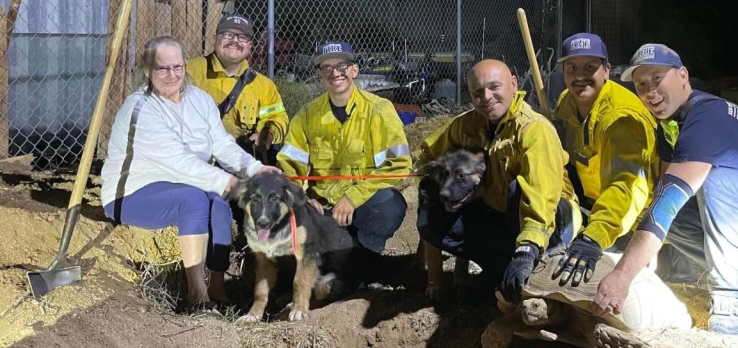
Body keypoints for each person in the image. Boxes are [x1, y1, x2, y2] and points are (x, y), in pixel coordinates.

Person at [593, 43, 738, 335]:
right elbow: (662, 198)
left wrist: (622, 275)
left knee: (716, 181)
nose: (650, 92)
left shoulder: (705, 117)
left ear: (683, 76)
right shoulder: (671, 123)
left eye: (657, 79)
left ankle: (731, 298)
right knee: (664, 212)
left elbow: (668, 203)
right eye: (641, 85)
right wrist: (646, 262)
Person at [100, 36, 282, 316]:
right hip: (133, 191)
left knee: (217, 203)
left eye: (177, 67)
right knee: (194, 199)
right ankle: (197, 297)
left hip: (180, 183)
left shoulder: (199, 98)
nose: (172, 75)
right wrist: (229, 182)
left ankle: (218, 290)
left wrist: (256, 170)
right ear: (148, 71)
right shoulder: (141, 108)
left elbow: (221, 144)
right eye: (163, 69)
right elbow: (179, 162)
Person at [416, 58, 581, 304]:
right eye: (478, 92)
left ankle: (534, 262)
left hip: (551, 218)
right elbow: (429, 154)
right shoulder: (467, 124)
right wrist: (430, 172)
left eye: (495, 87)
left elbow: (541, 196)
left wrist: (528, 248)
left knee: (518, 190)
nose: (487, 96)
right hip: (500, 213)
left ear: (513, 85)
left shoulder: (534, 129)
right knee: (432, 195)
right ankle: (499, 267)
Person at [276, 40, 412, 287]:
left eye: (341, 66)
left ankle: (354, 273)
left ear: (354, 70)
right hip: (323, 208)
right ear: (320, 77)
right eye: (326, 68)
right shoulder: (307, 115)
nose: (334, 72)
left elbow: (399, 164)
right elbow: (289, 169)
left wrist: (353, 196)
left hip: (362, 205)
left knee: (390, 206)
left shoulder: (380, 110)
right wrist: (304, 199)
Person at [551, 33, 660, 285]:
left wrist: (593, 239)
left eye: (590, 67)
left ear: (606, 70)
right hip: (593, 206)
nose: (580, 75)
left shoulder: (622, 119)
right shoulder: (566, 104)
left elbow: (627, 187)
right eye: (572, 67)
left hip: (633, 221)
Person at [186, 13, 288, 165]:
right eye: (228, 34)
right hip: (194, 165)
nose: (235, 41)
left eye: (243, 37)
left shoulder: (264, 85)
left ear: (250, 46)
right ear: (214, 39)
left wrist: (268, 135)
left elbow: (278, 117)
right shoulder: (187, 71)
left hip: (240, 167)